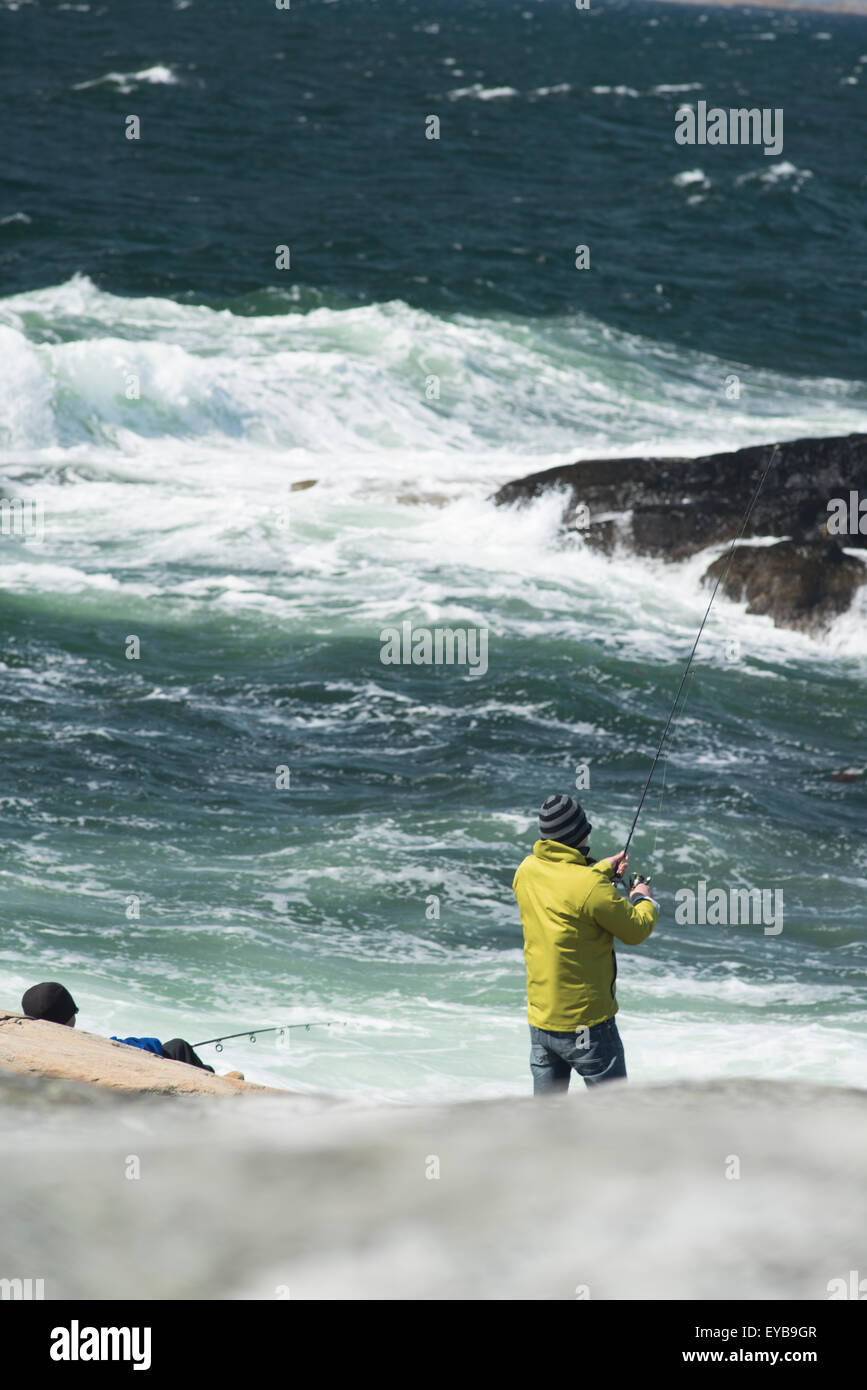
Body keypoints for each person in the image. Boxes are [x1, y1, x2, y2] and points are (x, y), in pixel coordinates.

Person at [512, 794, 659, 1094]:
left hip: (541, 1022)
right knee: (612, 1112)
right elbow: (636, 929)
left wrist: (601, 869)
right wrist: (642, 896)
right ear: (579, 835)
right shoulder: (591, 887)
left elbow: (566, 884)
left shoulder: (525, 871)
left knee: (546, 1118)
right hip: (587, 1028)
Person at [20, 981, 221, 1074]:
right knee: (178, 1046)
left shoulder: (30, 1040)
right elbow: (120, 1050)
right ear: (69, 1016)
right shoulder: (77, 1046)